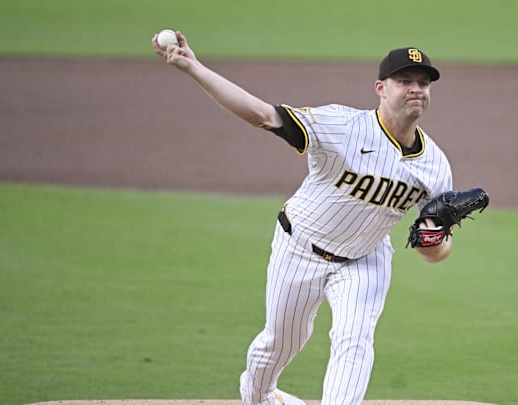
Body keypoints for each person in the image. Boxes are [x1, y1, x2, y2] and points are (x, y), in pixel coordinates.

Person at [152, 31, 456, 405]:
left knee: (354, 338)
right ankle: (260, 395)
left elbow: (435, 251)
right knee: (279, 344)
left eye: (423, 83)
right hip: (299, 248)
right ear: (380, 87)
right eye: (404, 81)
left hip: (366, 260)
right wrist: (193, 67)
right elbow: (264, 116)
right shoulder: (341, 126)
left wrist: (433, 239)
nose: (416, 89)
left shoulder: (436, 166)